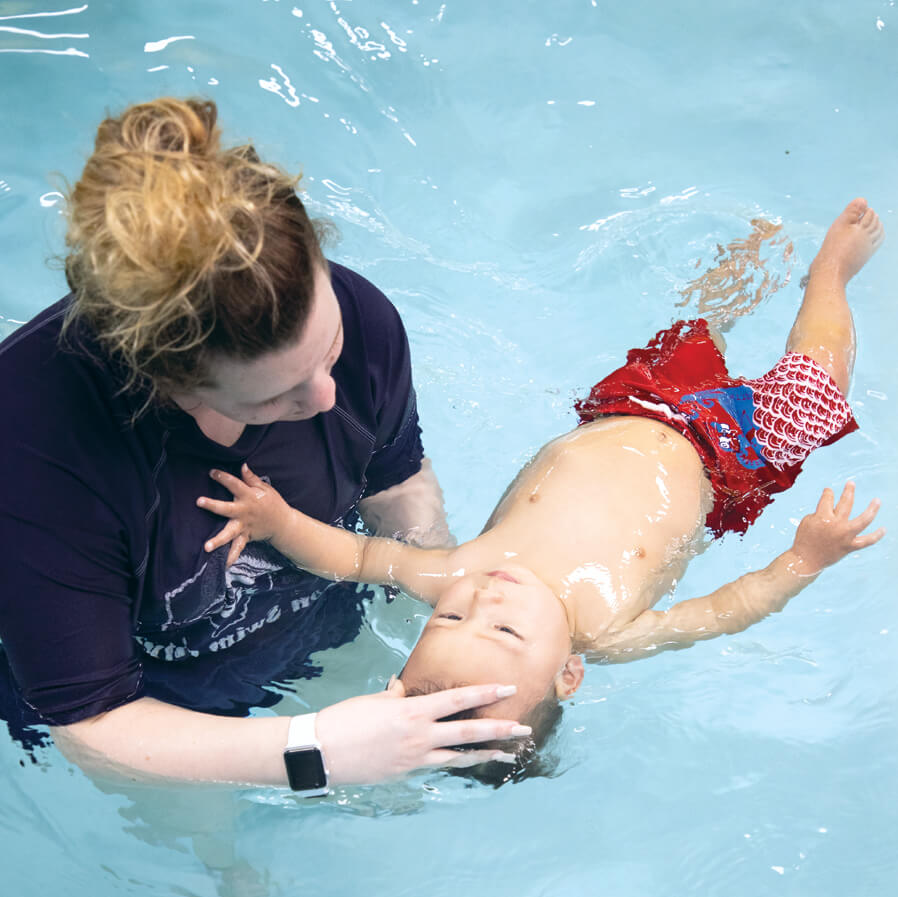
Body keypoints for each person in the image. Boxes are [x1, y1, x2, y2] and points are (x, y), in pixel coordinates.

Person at [199, 198, 885, 763]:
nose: (482, 598)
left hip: (633, 408)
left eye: (451, 617)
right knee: (819, 386)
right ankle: (830, 275)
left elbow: (358, 557)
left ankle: (744, 273)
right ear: (568, 672)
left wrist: (278, 522)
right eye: (503, 630)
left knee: (698, 328)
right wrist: (806, 558)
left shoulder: (459, 572)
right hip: (726, 460)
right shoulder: (613, 630)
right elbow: (728, 610)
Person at [0, 96, 529, 790]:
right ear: (168, 381)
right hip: (164, 712)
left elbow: (395, 485)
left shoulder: (363, 318)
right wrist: (314, 752)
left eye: (329, 349)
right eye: (274, 399)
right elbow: (93, 726)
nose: (324, 399)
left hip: (318, 616)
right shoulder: (36, 447)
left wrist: (446, 615)